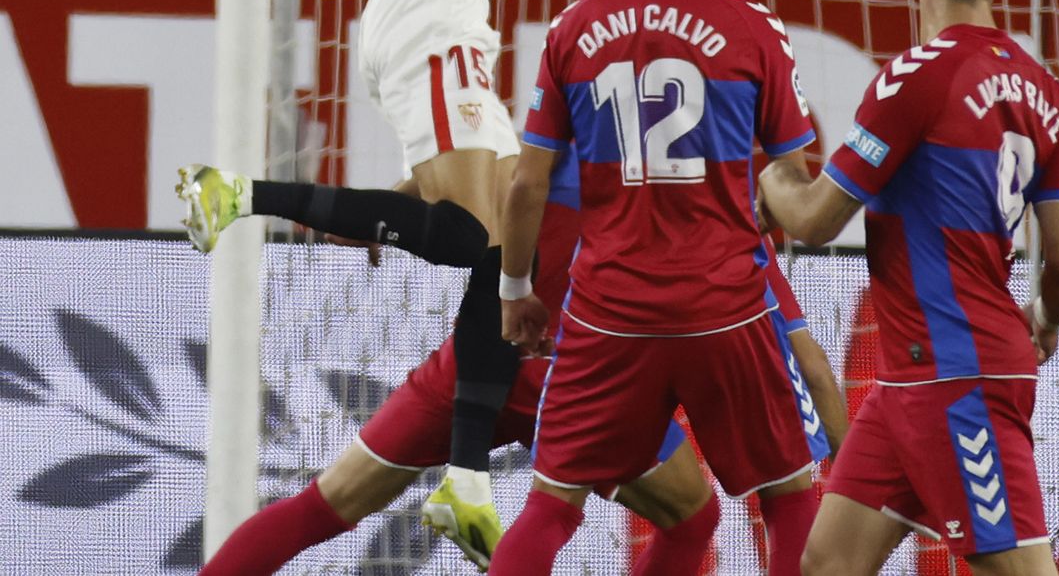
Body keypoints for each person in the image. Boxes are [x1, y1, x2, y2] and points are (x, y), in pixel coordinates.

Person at [176, 0, 830, 560]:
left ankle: (298, 219)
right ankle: (465, 478)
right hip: (451, 28)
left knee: (461, 244)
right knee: (489, 249)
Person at [192, 147, 849, 576]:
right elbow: (812, 365)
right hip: (578, 379)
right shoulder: (714, 226)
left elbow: (458, 173)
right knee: (687, 513)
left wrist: (387, 203)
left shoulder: (553, 153)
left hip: (476, 361)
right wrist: (852, 477)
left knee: (325, 503)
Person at [495, 0, 831, 576]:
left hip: (609, 306)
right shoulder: (752, 26)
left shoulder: (574, 27)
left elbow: (526, 183)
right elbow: (796, 172)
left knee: (552, 505)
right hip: (727, 304)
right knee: (789, 494)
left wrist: (516, 290)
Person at [758, 0, 1059, 575]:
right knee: (826, 562)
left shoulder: (911, 78)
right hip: (917, 379)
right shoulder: (1044, 88)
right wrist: (1046, 317)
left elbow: (817, 219)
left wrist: (769, 183)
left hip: (955, 374)